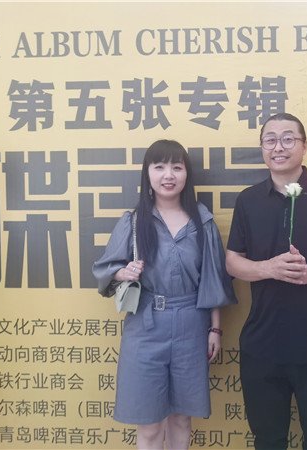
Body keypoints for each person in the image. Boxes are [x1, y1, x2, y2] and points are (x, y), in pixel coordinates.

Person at [226, 113, 307, 450]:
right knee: (268, 439)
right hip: (263, 344)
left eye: (288, 139)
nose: (278, 147)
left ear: (303, 146)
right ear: (262, 148)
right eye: (270, 140)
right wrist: (269, 268)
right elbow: (233, 262)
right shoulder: (248, 200)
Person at [92, 139, 236, 450]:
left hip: (191, 326)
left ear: (186, 174)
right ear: (147, 173)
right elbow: (105, 269)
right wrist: (123, 272)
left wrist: (215, 329)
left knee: (181, 419)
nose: (168, 175)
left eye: (176, 167)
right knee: (149, 424)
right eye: (159, 167)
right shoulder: (133, 221)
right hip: (145, 326)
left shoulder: (203, 222)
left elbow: (213, 280)